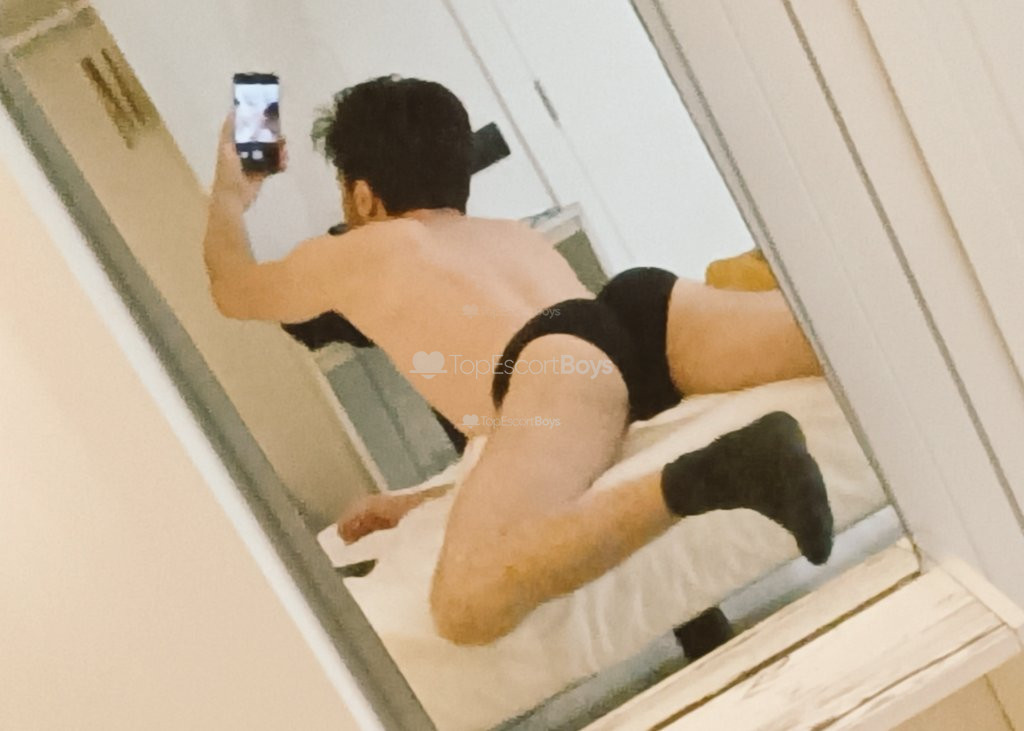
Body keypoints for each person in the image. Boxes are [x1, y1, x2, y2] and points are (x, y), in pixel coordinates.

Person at [203, 75, 832, 646]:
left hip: (562, 364)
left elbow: (230, 287)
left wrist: (234, 191)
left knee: (465, 603)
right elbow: (562, 424)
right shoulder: (514, 234)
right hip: (640, 311)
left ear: (363, 197)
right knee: (829, 334)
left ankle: (721, 471)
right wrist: (424, 500)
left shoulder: (362, 250)